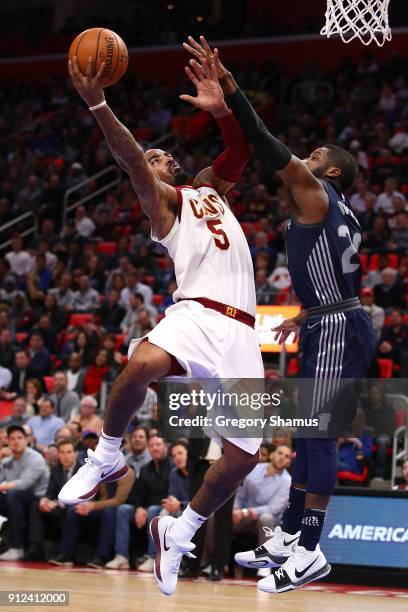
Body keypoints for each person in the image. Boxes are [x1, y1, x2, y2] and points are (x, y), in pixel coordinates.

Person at [60, 49, 263, 598]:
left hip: (242, 331)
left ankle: (178, 532)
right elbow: (128, 158)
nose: (156, 156)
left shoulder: (208, 190)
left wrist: (223, 103)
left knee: (244, 455)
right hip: (197, 311)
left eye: (161, 153)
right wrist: (99, 103)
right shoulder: (163, 209)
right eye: (148, 156)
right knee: (144, 360)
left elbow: (241, 147)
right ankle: (104, 455)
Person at [182, 37, 375, 592]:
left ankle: (310, 548)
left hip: (338, 325)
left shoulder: (316, 192)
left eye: (314, 157)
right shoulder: (337, 211)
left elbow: (265, 144)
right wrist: (306, 313)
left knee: (317, 436)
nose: (303, 160)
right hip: (327, 319)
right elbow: (333, 276)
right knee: (305, 430)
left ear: (330, 174)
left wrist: (231, 90)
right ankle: (290, 535)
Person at [105, 435, 173, 571]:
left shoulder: (172, 467)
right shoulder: (145, 469)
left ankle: (154, 557)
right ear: (148, 449)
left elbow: (168, 495)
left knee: (154, 510)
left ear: (165, 447)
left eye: (158, 445)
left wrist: (145, 509)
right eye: (152, 445)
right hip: (146, 508)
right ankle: (121, 556)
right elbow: (138, 494)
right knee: (123, 509)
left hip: (165, 509)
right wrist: (139, 508)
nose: (155, 448)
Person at [233, 444, 292, 577]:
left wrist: (245, 512)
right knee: (217, 517)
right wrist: (235, 509)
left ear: (289, 463)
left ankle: (265, 564)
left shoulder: (287, 481)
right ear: (272, 455)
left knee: (266, 517)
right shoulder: (253, 470)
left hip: (270, 523)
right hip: (243, 517)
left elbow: (273, 508)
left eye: (286, 456)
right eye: (280, 453)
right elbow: (240, 494)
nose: (282, 457)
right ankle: (210, 564)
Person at [25, 439, 82, 561]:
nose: (65, 456)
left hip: (76, 508)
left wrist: (56, 502)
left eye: (68, 452)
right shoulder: (56, 469)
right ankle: (36, 546)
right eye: (62, 452)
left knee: (71, 509)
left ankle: (65, 553)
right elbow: (50, 492)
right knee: (36, 505)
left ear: (75, 453)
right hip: (59, 508)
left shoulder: (84, 469)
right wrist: (45, 500)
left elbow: (82, 496)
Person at [0, 425, 49, 561]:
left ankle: (17, 548)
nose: (16, 441)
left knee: (13, 494)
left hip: (37, 499)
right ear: (8, 442)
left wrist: (2, 486)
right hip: (15, 500)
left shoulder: (36, 458)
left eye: (20, 438)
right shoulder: (6, 461)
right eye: (12, 439)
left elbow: (25, 484)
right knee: (12, 495)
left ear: (26, 440)